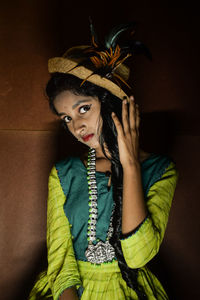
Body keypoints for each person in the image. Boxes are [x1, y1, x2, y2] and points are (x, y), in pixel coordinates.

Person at [28, 22, 178, 300]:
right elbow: (60, 261)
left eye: (84, 108)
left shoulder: (160, 170)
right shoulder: (63, 174)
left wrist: (130, 164)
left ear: (109, 103)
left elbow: (136, 256)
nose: (77, 126)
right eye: (67, 119)